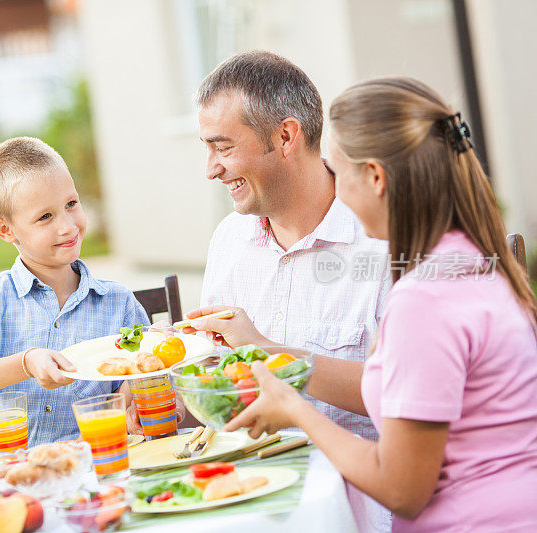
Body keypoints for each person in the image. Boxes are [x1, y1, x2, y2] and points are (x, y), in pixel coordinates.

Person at [224, 77, 537, 531]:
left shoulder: (424, 300)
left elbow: (403, 490)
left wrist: (295, 410)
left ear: (374, 177)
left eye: (338, 170)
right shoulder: (471, 261)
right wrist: (275, 354)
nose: (334, 188)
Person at [185, 50, 389, 439]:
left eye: (223, 147)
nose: (210, 169)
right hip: (250, 479)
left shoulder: (381, 238)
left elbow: (407, 395)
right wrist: (167, 394)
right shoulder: (230, 239)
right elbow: (218, 389)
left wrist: (266, 350)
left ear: (284, 137)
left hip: (356, 485)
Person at [0, 137, 152, 452]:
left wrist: (155, 361)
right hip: (1, 476)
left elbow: (144, 378)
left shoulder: (118, 304)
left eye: (71, 204)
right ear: (5, 230)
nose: (67, 226)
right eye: (45, 217)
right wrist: (27, 362)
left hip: (93, 466)